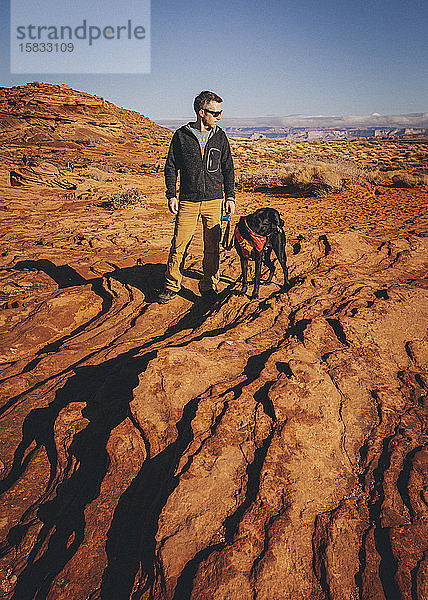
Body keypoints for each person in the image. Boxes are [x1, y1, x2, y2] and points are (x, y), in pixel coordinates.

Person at [158, 91, 235, 304]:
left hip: (214, 200)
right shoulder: (181, 136)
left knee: (212, 247)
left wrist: (230, 197)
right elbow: (171, 167)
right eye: (215, 113)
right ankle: (172, 284)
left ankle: (209, 285)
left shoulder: (220, 136)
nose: (219, 117)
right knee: (180, 244)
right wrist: (171, 194)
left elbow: (228, 169)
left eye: (220, 113)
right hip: (188, 201)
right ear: (202, 113)